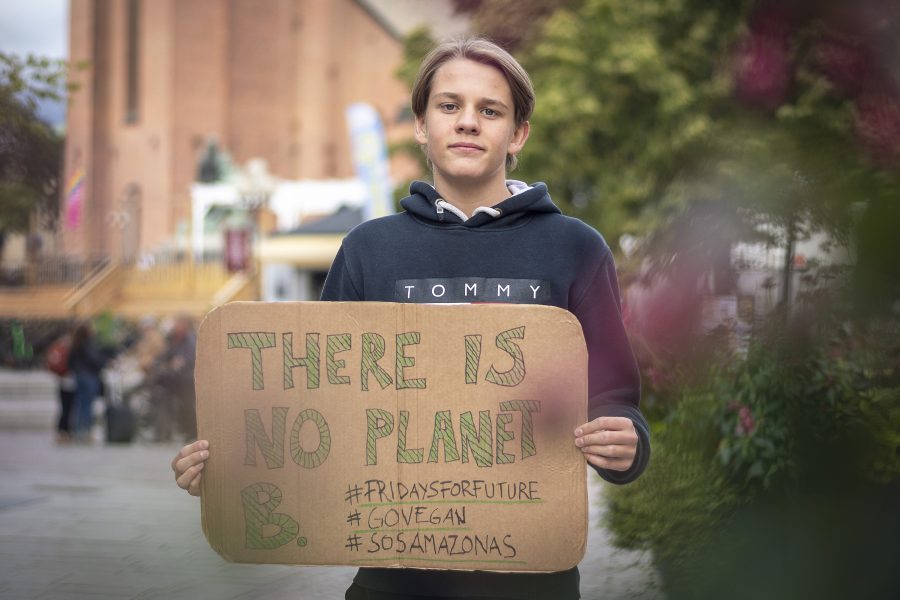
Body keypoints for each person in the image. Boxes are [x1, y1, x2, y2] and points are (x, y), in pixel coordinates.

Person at [173, 37, 650, 599]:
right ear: (421, 125)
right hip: (389, 580)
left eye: (489, 110)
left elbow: (615, 401)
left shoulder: (576, 248)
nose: (468, 122)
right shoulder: (368, 250)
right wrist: (234, 465)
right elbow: (314, 407)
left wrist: (627, 445)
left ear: (517, 133)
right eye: (449, 106)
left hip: (531, 577)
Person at [67, 322, 107, 442]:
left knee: (80, 404)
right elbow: (94, 360)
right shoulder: (88, 344)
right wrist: (104, 362)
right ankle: (86, 431)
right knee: (87, 405)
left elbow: (70, 361)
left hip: (79, 377)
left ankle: (78, 430)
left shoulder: (75, 344)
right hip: (89, 377)